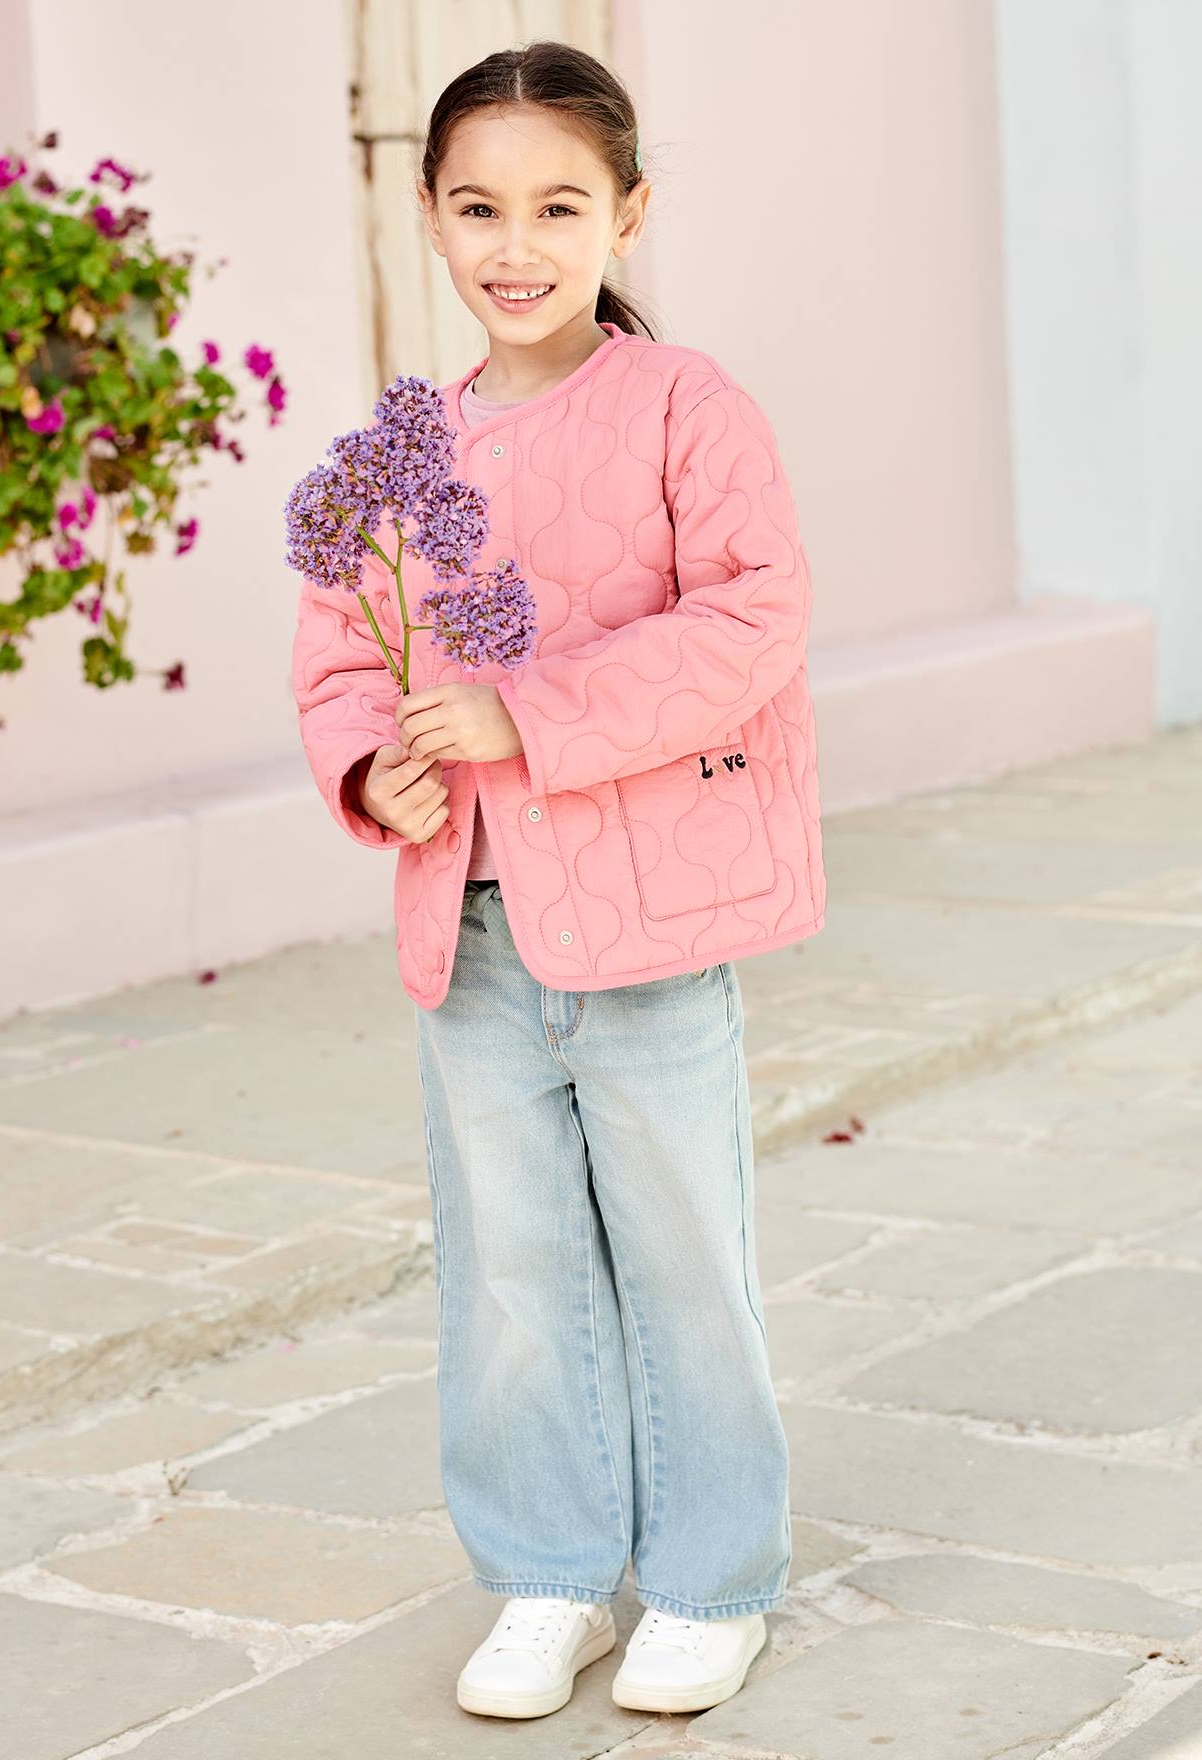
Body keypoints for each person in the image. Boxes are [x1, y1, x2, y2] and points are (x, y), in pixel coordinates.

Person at [290, 38, 826, 1724]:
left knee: (681, 1252)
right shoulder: (402, 454)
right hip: (479, 924)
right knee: (512, 1264)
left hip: (652, 922)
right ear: (432, 220)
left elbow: (752, 620)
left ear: (628, 213)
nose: (514, 243)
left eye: (558, 205)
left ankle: (713, 1581)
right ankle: (543, 1577)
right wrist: (371, 763)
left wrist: (524, 712)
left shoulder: (688, 407)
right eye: (476, 207)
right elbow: (339, 661)